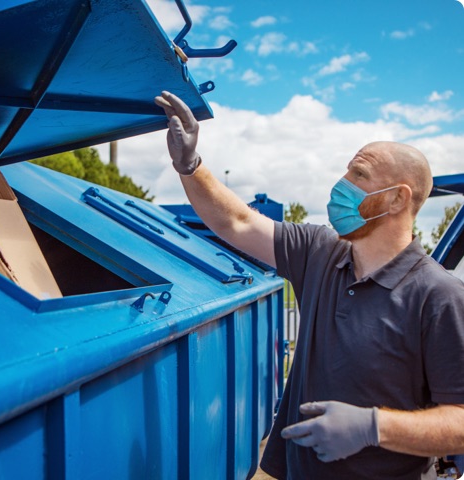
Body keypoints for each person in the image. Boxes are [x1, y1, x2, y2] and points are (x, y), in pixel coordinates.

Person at [155, 90, 464, 480]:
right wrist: (189, 165)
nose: (341, 184)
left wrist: (374, 427)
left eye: (359, 175)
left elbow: (460, 422)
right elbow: (237, 222)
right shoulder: (321, 251)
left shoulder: (439, 297)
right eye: (346, 171)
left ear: (398, 199)